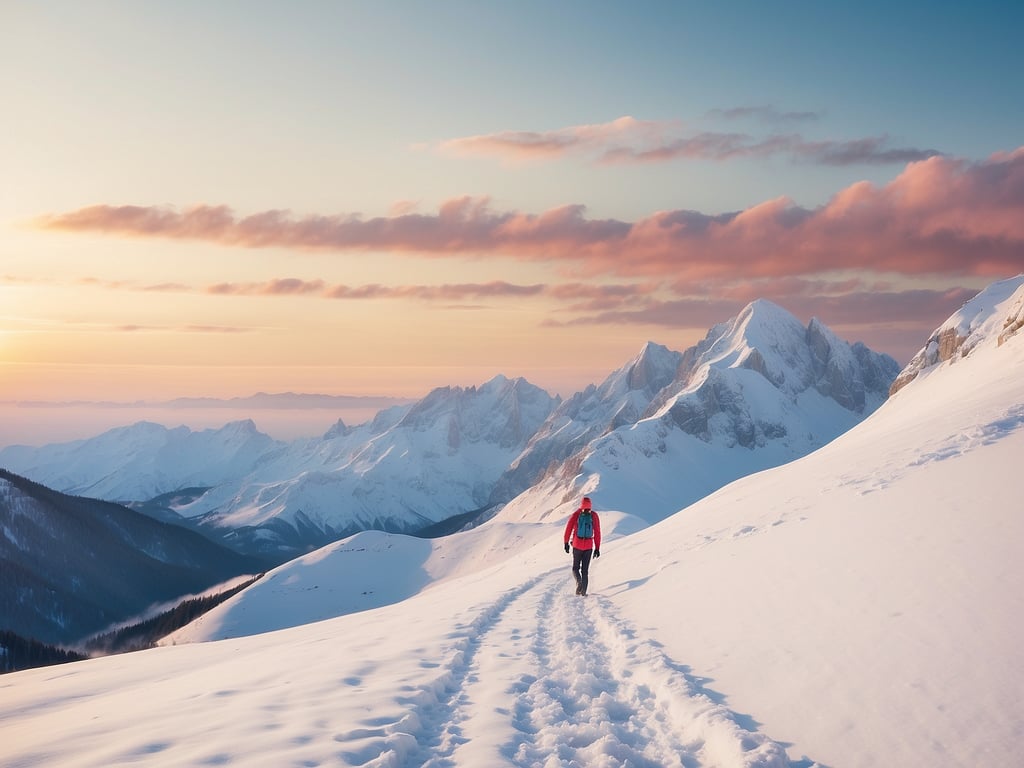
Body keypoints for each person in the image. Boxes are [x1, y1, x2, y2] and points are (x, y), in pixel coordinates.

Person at [563, 496, 601, 596]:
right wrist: (597, 548)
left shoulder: (576, 514)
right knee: (585, 571)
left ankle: (578, 582)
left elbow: (568, 528)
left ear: (581, 504)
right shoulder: (594, 515)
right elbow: (597, 532)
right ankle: (583, 592)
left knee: (575, 568)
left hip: (577, 545)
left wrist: (566, 542)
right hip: (588, 546)